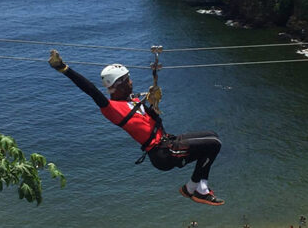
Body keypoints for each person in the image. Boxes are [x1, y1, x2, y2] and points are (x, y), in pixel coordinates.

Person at [48, 49, 224, 206]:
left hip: (167, 141)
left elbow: (153, 122)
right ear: (118, 85)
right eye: (127, 80)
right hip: (163, 154)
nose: (131, 82)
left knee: (212, 136)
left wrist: (153, 105)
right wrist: (64, 68)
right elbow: (91, 90)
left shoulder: (132, 100)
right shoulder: (112, 109)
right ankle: (198, 189)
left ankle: (193, 187)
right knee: (213, 144)